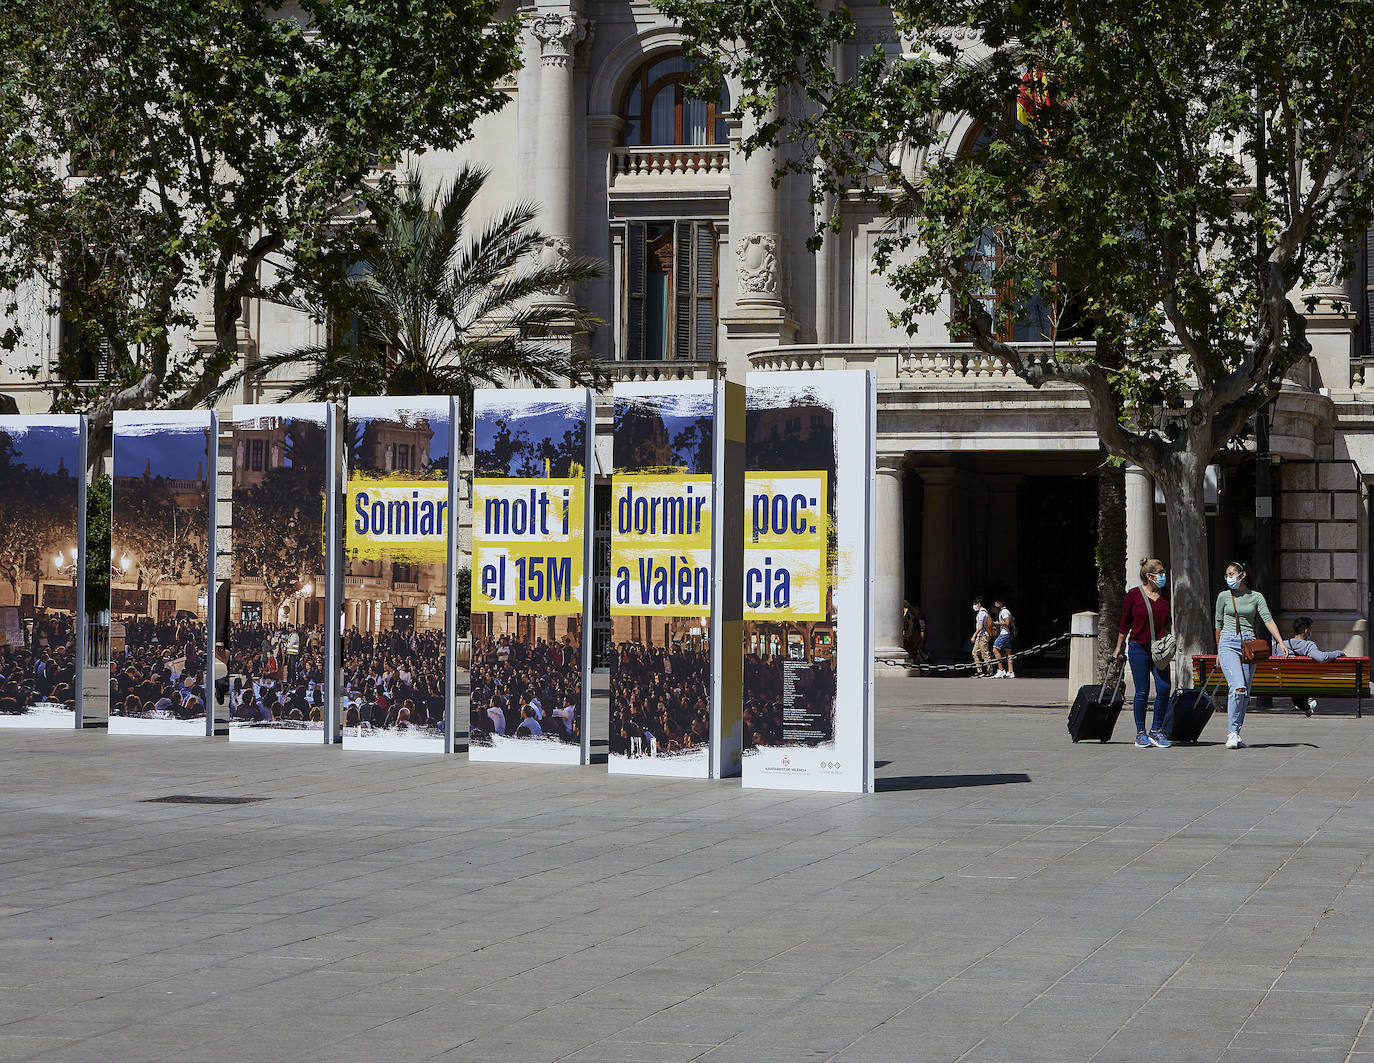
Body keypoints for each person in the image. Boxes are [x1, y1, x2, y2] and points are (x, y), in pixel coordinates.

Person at [1214, 560, 1290, 749]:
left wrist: (1280, 641)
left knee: (1245, 692)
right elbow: (1218, 624)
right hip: (1228, 643)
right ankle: (1231, 733)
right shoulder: (1224, 596)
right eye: (1227, 575)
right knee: (1238, 687)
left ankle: (1237, 732)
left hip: (1249, 645)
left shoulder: (1256, 597)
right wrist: (1218, 650)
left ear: (1243, 575)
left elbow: (1267, 619)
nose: (1229, 578)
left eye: (1232, 574)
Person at [1113, 558, 1173, 748]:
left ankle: (1156, 731)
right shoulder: (1134, 595)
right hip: (1139, 647)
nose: (1163, 576)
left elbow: (1168, 622)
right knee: (1142, 691)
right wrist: (1118, 648)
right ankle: (1141, 733)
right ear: (1149, 575)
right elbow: (1125, 624)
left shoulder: (1164, 596)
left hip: (1160, 649)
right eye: (1160, 572)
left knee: (1164, 688)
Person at [1288, 616, 1345, 717]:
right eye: (1310, 629)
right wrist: (1338, 653)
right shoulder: (1308, 645)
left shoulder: (1283, 645)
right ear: (1306, 630)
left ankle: (1306, 708)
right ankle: (1307, 706)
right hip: (1305, 684)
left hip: (1285, 683)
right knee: (1301, 684)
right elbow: (1321, 658)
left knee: (1295, 687)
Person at [970, 597, 994, 678]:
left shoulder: (982, 613)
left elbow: (980, 627)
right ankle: (979, 671)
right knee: (975, 652)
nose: (974, 606)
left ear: (979, 604)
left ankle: (990, 672)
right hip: (980, 635)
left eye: (975, 604)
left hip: (983, 636)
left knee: (984, 654)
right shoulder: (982, 612)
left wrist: (974, 636)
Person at [992, 598, 1016, 678]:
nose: (996, 603)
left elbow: (1007, 622)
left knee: (995, 649)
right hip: (1007, 634)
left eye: (998, 602)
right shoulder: (1003, 611)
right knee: (1008, 652)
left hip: (1004, 634)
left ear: (1001, 603)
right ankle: (1010, 671)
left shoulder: (1004, 611)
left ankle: (1001, 670)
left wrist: (996, 623)